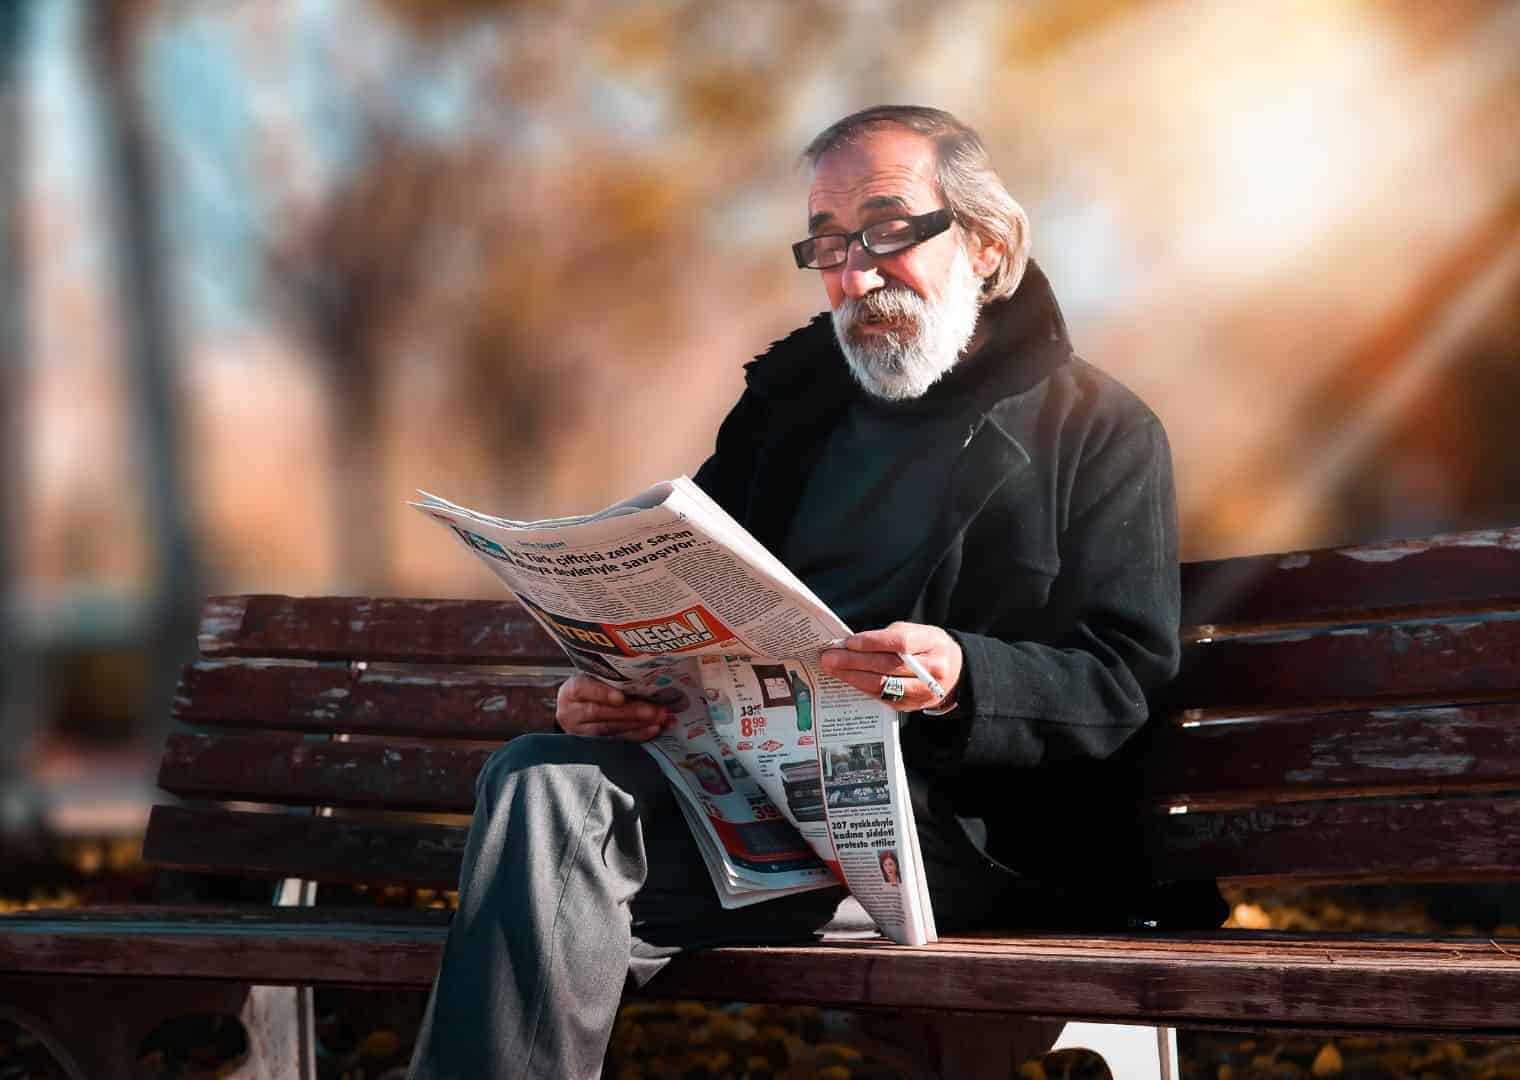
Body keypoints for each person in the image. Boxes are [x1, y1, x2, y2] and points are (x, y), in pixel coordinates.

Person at [408, 105, 1223, 1079]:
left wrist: (963, 674)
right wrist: (620, 691)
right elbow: (683, 586)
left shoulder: (1100, 432)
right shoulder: (783, 419)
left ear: (990, 246)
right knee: (543, 782)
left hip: (954, 844)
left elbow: (1120, 683)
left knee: (560, 903)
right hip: (751, 818)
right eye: (829, 242)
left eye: (887, 229)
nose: (857, 272)